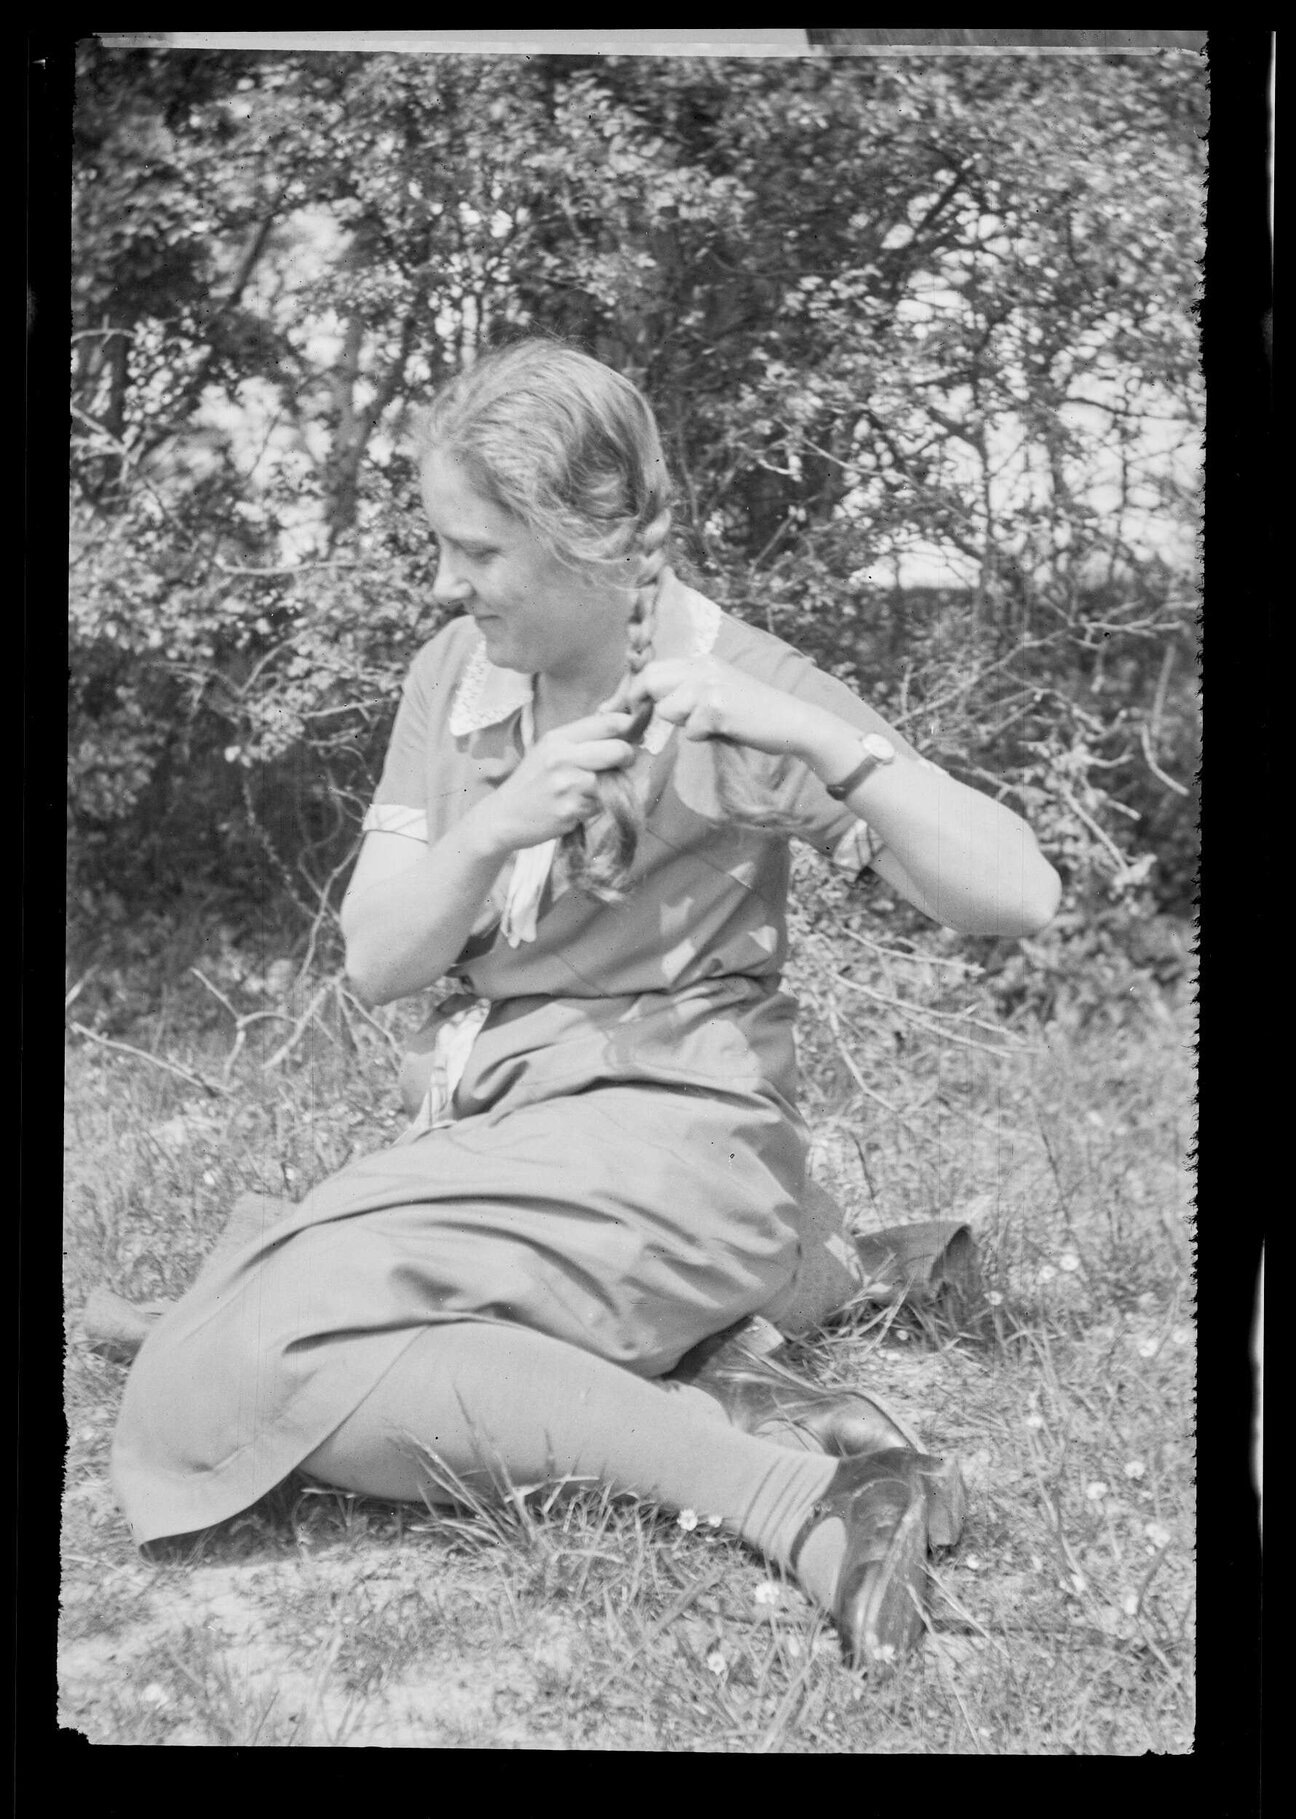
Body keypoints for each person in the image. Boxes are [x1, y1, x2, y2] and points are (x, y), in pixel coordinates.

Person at [110, 339, 1061, 1671]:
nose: (449, 582)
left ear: (585, 541)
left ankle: (806, 1501)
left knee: (225, 1373)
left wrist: (824, 743)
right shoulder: (457, 674)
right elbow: (379, 960)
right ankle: (734, 1332)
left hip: (675, 1146)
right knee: (251, 1315)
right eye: (444, 545)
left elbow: (1020, 894)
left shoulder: (739, 689)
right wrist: (494, 826)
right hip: (507, 1141)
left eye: (479, 552)